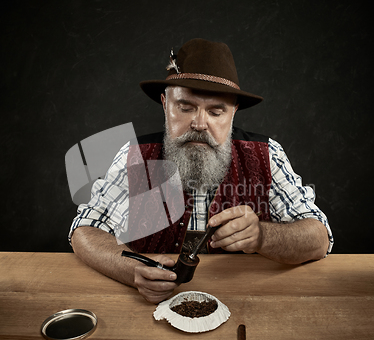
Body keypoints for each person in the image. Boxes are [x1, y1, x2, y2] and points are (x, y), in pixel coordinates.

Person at [69, 38, 333, 303]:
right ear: (165, 104)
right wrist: (131, 270)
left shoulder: (267, 154)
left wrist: (262, 236)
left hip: (245, 304)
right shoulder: (135, 156)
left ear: (234, 112)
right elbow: (84, 230)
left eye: (216, 112)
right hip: (149, 310)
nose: (199, 124)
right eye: (185, 108)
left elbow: (319, 237)